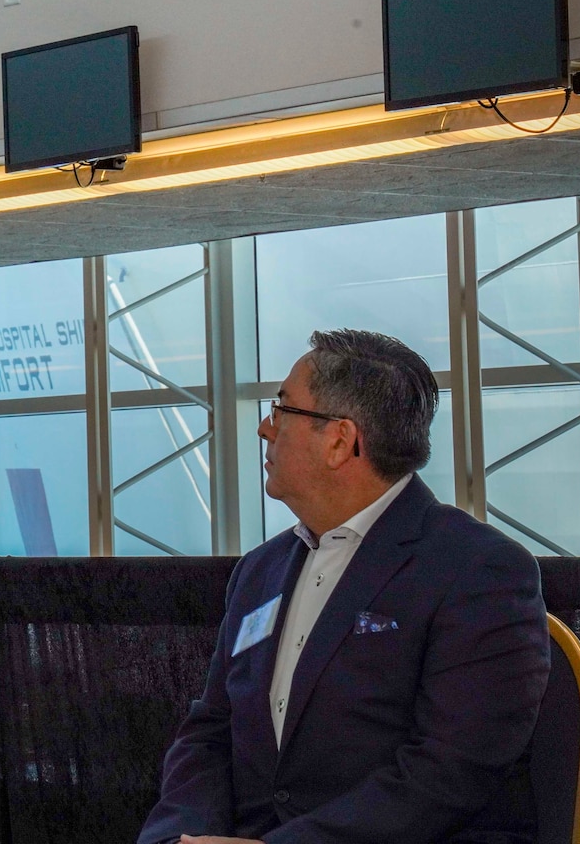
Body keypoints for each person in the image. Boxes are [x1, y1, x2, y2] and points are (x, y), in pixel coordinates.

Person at [139, 329, 551, 844]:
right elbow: (210, 732)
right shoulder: (258, 571)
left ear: (340, 440)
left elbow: (449, 773)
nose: (265, 428)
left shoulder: (478, 571)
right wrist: (182, 836)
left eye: (282, 410)